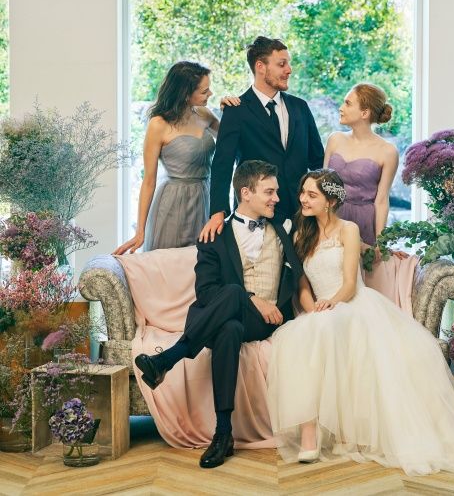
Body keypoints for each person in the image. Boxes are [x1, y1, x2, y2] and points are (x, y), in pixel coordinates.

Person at [266, 169, 454, 476]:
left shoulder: (348, 230)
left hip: (350, 303)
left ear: (330, 201)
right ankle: (310, 434)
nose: (303, 199)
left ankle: (345, 433)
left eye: (311, 194)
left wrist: (331, 305)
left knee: (326, 330)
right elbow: (303, 286)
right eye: (303, 193)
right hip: (319, 310)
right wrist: (313, 311)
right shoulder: (300, 235)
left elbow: (349, 283)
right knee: (302, 337)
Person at [134, 160, 302, 468]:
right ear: (246, 193)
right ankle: (223, 433)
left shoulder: (284, 228)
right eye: (269, 192)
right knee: (229, 329)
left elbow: (322, 231)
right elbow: (207, 293)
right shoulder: (214, 236)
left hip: (267, 323)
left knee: (235, 295)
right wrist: (252, 299)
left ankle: (168, 359)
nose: (277, 198)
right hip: (227, 320)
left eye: (276, 192)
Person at [200, 36, 324, 242]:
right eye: (281, 64)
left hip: (302, 215)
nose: (289, 70)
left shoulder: (300, 107)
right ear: (260, 67)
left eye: (288, 64)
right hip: (256, 215)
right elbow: (222, 164)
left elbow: (318, 161)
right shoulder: (235, 111)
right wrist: (218, 212)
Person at [324, 83, 417, 313]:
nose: (341, 107)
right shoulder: (335, 139)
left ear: (364, 113)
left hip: (363, 221)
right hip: (331, 217)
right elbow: (321, 185)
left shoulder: (387, 151)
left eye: (348, 103)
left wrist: (380, 243)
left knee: (359, 288)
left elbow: (382, 199)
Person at [114, 61, 219, 255]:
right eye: (204, 91)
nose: (210, 94)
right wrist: (140, 231)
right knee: (167, 261)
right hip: (173, 202)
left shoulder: (205, 115)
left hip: (204, 197)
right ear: (186, 94)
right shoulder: (158, 125)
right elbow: (148, 181)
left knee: (202, 262)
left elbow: (231, 139)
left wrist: (233, 109)